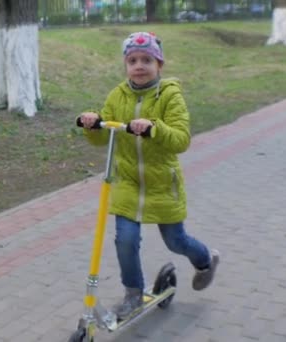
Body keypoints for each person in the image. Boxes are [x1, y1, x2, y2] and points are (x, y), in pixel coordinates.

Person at [77, 32, 220, 320]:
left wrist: (154, 127)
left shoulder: (169, 95)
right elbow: (103, 139)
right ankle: (133, 294)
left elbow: (181, 139)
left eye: (146, 60)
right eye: (132, 61)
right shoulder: (117, 95)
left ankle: (205, 260)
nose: (139, 66)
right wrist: (93, 125)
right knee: (126, 239)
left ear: (159, 64)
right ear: (125, 65)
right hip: (127, 181)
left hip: (162, 184)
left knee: (175, 241)